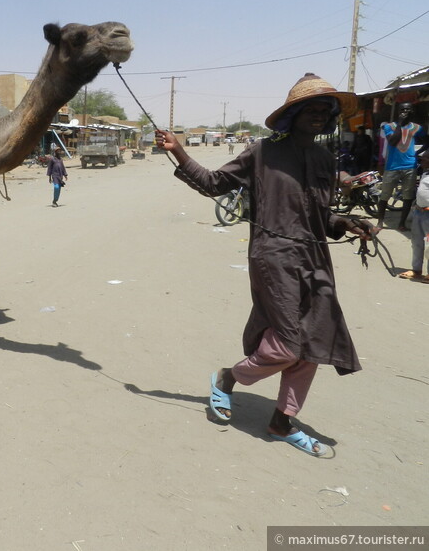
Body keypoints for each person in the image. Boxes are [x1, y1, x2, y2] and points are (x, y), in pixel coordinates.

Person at [155, 73, 375, 457]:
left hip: (315, 258)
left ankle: (281, 422)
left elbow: (321, 218)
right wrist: (178, 150)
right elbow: (213, 183)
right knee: (290, 344)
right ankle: (229, 377)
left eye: (326, 111)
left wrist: (347, 223)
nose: (319, 116)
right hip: (274, 257)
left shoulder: (325, 158)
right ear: (294, 114)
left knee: (314, 344)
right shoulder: (262, 152)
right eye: (312, 109)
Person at [376, 103, 423, 231]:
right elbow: (392, 141)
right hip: (392, 167)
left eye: (408, 109)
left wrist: (418, 153)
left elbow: (425, 140)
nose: (405, 111)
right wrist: (400, 124)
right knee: (385, 195)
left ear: (412, 111)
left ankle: (401, 223)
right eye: (402, 109)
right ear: (398, 112)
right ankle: (380, 222)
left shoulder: (417, 128)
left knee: (408, 196)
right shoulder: (389, 127)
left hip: (410, 166)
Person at [397, 151, 429, 283]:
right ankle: (416, 270)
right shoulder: (425, 174)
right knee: (417, 243)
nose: (421, 162)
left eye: (424, 159)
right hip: (419, 212)